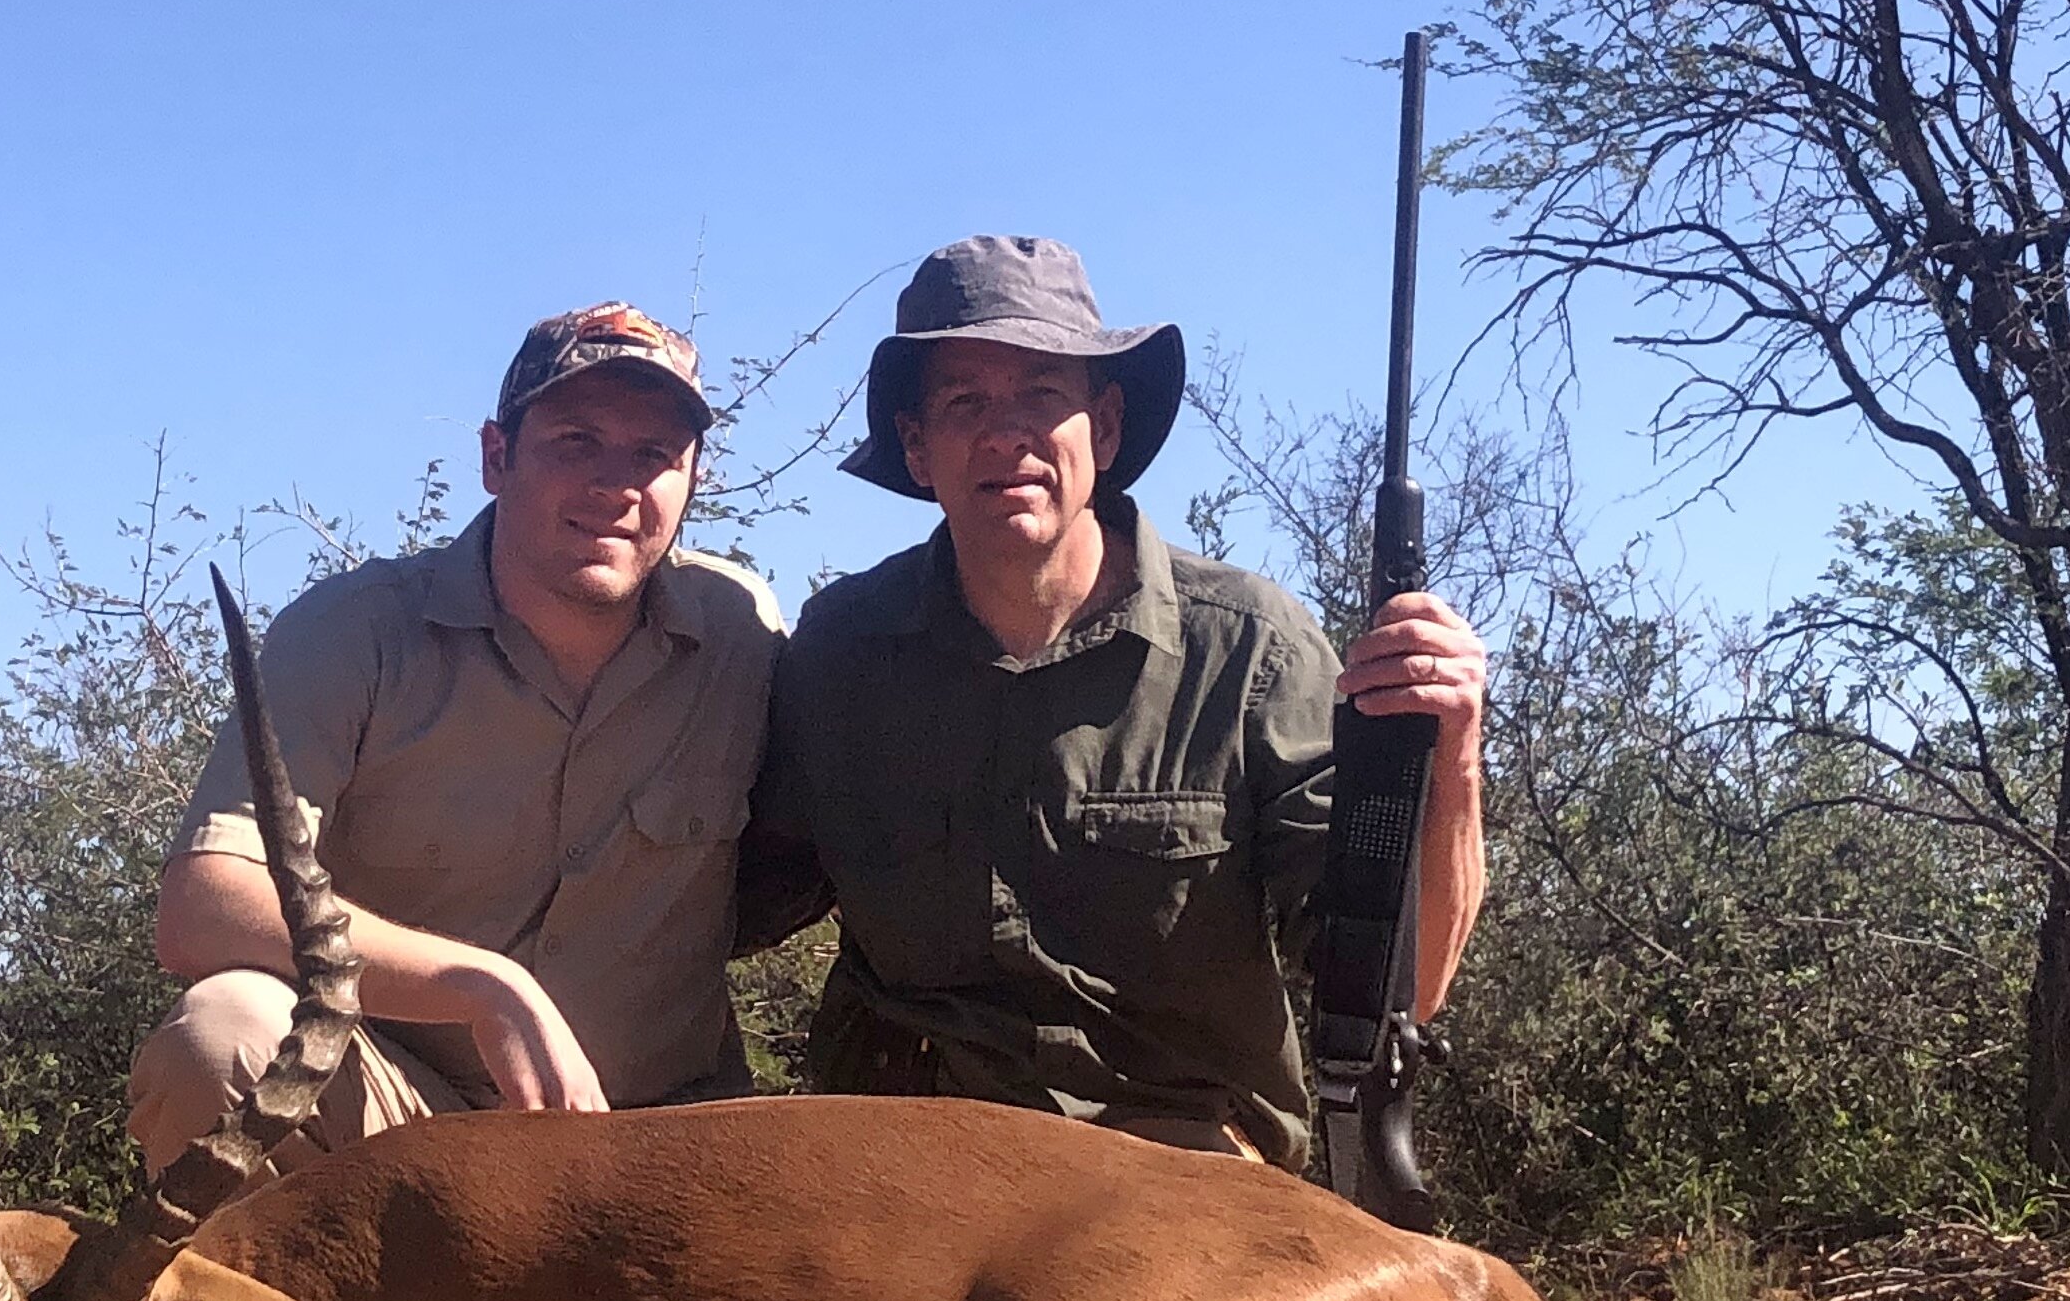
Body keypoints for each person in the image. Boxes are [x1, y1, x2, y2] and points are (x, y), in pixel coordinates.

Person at [738, 234, 1487, 1168]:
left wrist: (1450, 756)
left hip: (1174, 1173)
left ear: (1105, 427)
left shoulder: (1250, 647)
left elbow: (1396, 991)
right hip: (902, 1174)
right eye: (964, 401)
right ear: (916, 447)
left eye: (1042, 395)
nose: (1005, 432)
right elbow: (710, 904)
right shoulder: (840, 651)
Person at [131, 303, 782, 1173]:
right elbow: (204, 905)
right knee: (224, 1038)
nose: (614, 485)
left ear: (693, 479)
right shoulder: (353, 633)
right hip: (408, 1130)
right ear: (496, 457)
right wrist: (486, 989)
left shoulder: (746, 635)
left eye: (653, 455)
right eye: (576, 442)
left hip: (663, 1146)